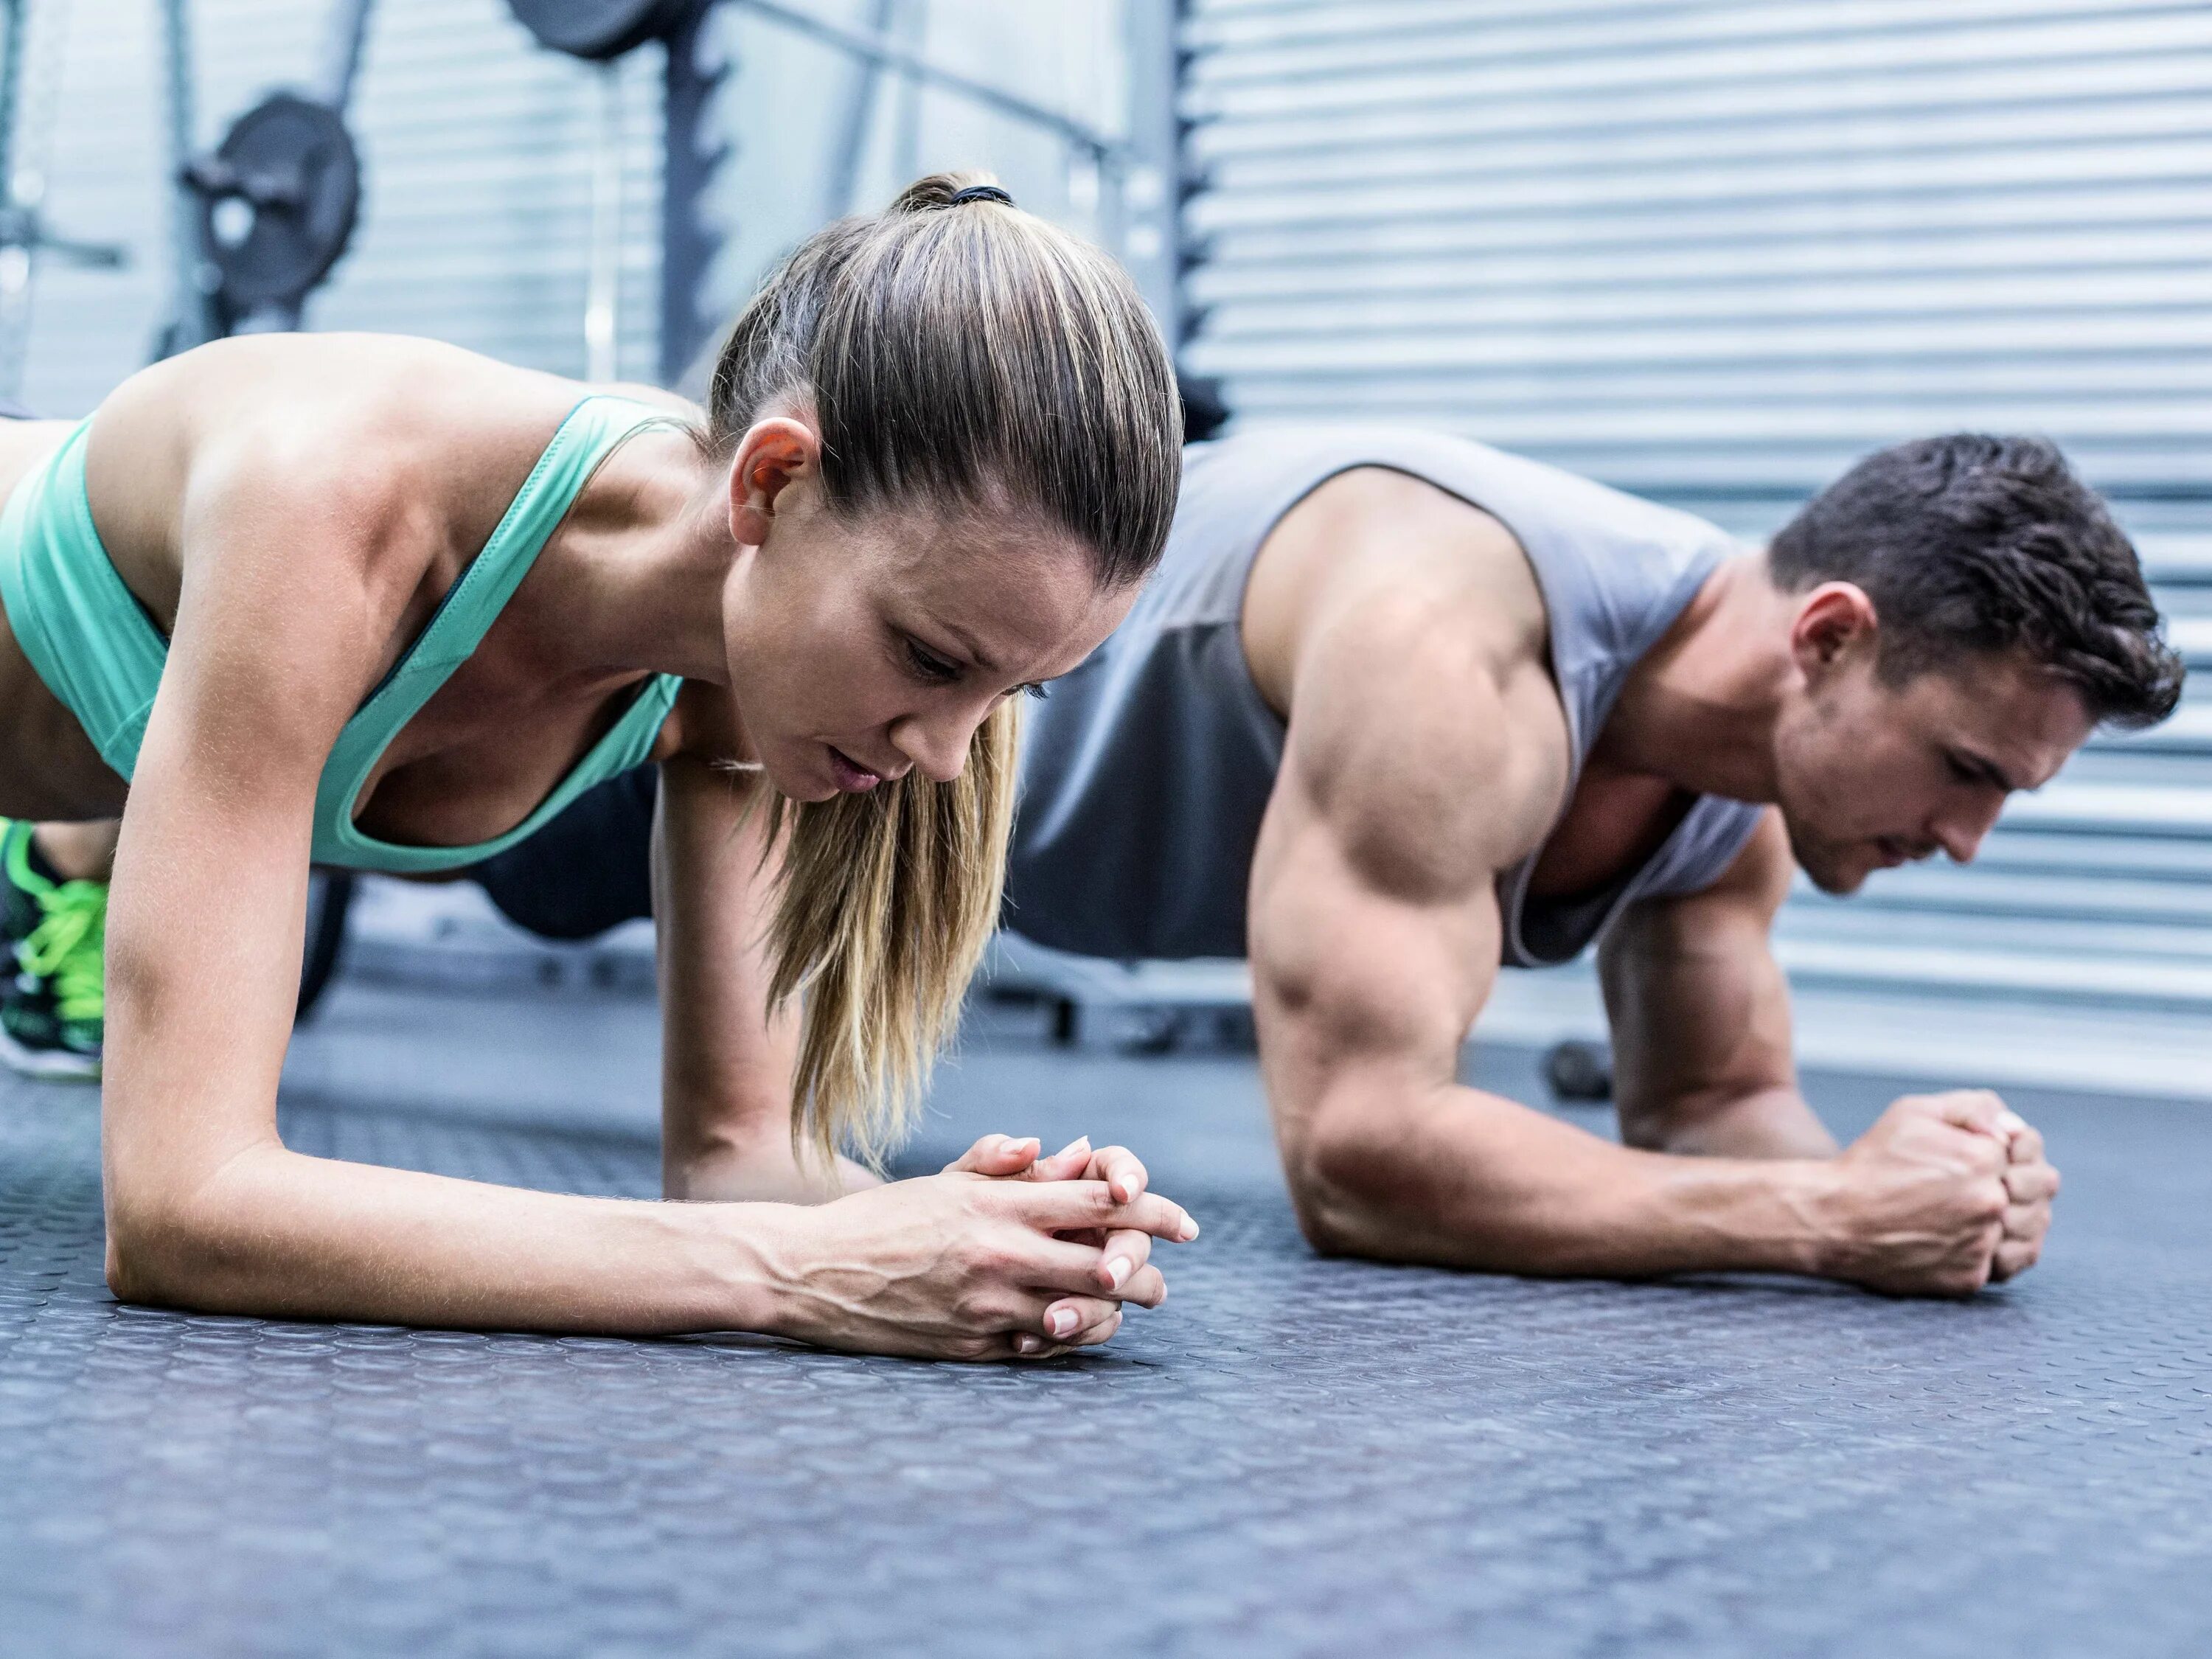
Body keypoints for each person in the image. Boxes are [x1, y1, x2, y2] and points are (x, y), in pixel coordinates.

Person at [455, 425, 2181, 1298]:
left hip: (970, 853)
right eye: (1966, 771)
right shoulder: (1455, 639)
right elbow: (1360, 1158)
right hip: (832, 749)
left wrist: (1918, 1189)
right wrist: (1822, 1216)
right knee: (484, 817)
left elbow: (1716, 1109)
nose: (1965, 840)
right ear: (1828, 634)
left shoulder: (1750, 788)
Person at [0, 174, 1200, 1359]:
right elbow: (181, 1208)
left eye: (1015, 690)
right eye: (932, 657)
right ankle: (51, 865)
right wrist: (800, 1273)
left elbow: (739, 1156)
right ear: (769, 482)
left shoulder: (748, 674)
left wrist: (984, 1238)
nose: (947, 758)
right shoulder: (332, 500)